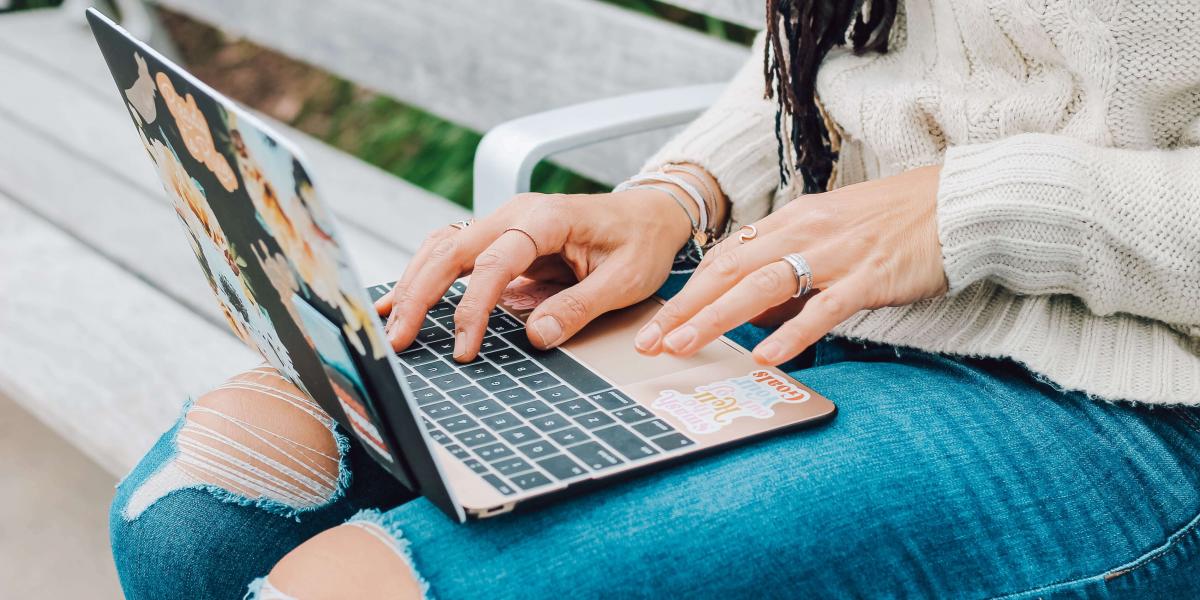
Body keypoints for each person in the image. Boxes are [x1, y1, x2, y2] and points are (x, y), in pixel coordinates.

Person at [110, 1, 1200, 598]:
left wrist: (976, 211)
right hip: (801, 278)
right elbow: (848, 42)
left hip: (1126, 379)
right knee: (193, 519)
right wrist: (678, 197)